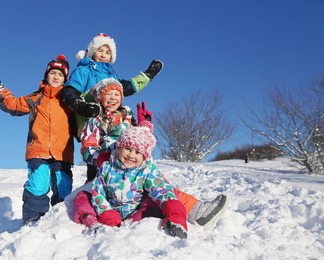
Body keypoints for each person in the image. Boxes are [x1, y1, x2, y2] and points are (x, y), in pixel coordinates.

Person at [73, 78, 228, 233]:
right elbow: (88, 146)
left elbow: (140, 140)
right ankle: (100, 218)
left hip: (135, 165)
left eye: (117, 94)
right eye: (109, 94)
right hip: (111, 167)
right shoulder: (95, 119)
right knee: (92, 195)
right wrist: (100, 158)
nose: (113, 97)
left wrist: (144, 124)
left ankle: (195, 210)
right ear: (100, 97)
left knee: (160, 184)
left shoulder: (126, 116)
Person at [0, 55, 74, 225]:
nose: (56, 77)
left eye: (60, 75)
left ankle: (63, 221)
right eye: (53, 73)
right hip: (38, 149)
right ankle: (33, 220)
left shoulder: (69, 101)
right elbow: (14, 104)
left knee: (64, 187)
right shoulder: (36, 98)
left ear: (65, 79)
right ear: (46, 75)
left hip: (63, 152)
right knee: (38, 183)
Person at [58, 32, 163, 180]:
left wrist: (148, 75)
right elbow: (69, 92)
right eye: (100, 50)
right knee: (97, 160)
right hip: (91, 123)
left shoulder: (111, 74)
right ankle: (94, 188)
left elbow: (127, 87)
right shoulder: (84, 70)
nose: (103, 54)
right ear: (92, 51)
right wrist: (82, 106)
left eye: (107, 52)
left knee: (120, 162)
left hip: (112, 123)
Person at [90, 125, 188, 239]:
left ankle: (175, 218)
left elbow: (161, 190)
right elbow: (98, 191)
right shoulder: (107, 168)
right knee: (83, 198)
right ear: (119, 148)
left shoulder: (146, 170)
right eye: (127, 149)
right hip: (111, 212)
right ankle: (104, 221)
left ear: (144, 156)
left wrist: (174, 210)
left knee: (160, 198)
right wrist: (106, 212)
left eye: (137, 152)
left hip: (136, 214)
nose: (131, 155)